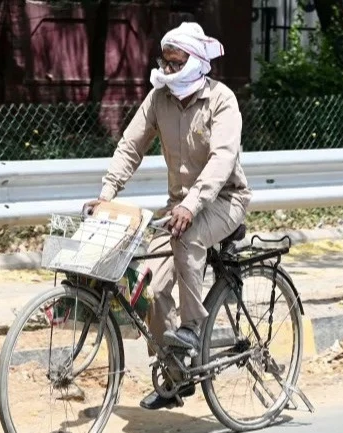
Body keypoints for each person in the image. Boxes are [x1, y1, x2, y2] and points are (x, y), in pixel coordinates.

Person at [84, 22, 252, 410]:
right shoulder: (159, 98)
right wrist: (106, 194)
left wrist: (192, 205)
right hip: (178, 205)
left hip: (224, 199)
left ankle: (193, 327)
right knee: (152, 285)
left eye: (177, 63)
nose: (169, 70)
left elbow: (223, 158)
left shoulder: (221, 100)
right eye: (166, 62)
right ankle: (176, 378)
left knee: (188, 237)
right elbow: (131, 146)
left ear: (196, 62)